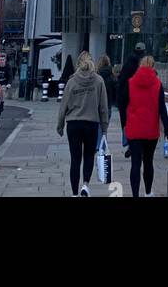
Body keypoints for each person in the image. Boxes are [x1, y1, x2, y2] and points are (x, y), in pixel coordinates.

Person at [56, 50, 109, 198]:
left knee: (75, 159)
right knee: (88, 156)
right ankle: (85, 184)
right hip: (91, 124)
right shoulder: (99, 81)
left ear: (78, 64)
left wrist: (60, 125)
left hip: (73, 124)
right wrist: (104, 129)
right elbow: (103, 107)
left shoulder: (71, 82)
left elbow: (63, 105)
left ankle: (74, 193)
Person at [124, 55, 168, 199]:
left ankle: (135, 194)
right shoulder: (157, 84)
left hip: (134, 130)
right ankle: (148, 192)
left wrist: (125, 122)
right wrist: (167, 130)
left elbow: (123, 104)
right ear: (153, 66)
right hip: (151, 130)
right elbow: (162, 109)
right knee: (148, 162)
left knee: (135, 164)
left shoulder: (130, 83)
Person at [115, 42, 146, 156]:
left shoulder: (128, 64)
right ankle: (135, 143)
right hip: (135, 98)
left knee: (126, 121)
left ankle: (128, 142)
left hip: (124, 98)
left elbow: (121, 81)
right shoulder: (140, 66)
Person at [95, 54, 116, 123]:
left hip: (97, 104)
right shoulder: (112, 76)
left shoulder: (96, 76)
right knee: (104, 128)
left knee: (97, 128)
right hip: (108, 104)